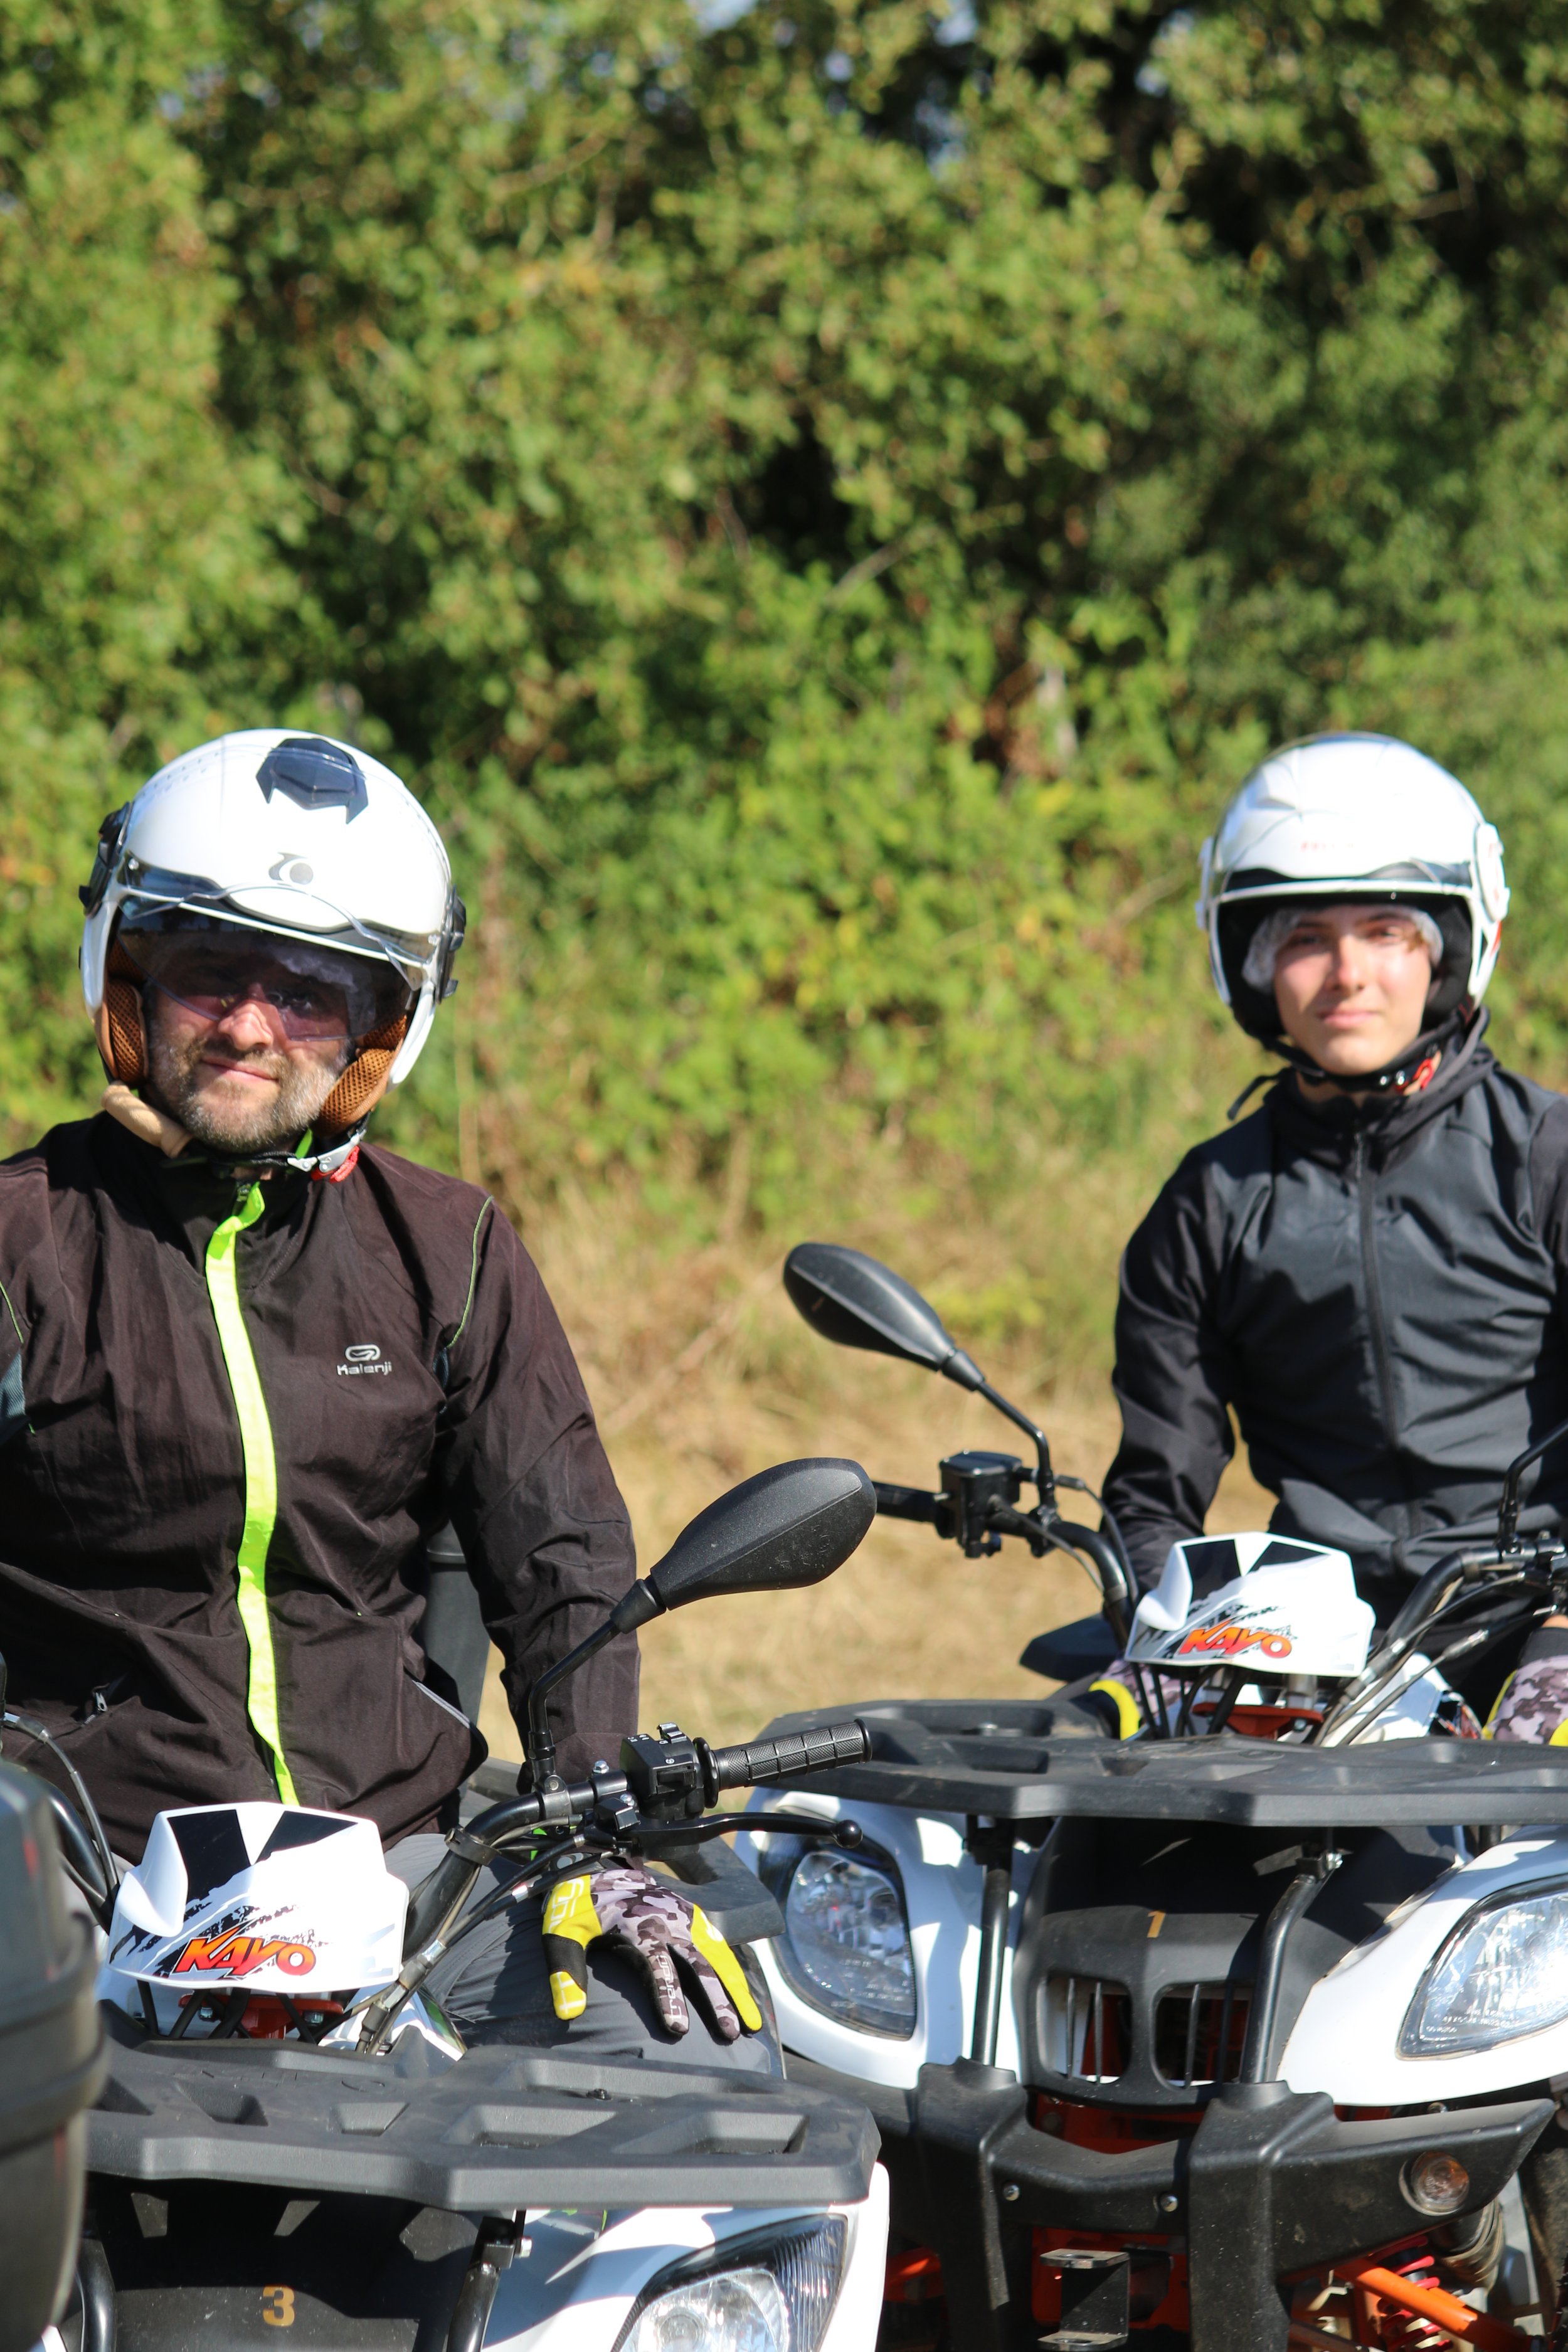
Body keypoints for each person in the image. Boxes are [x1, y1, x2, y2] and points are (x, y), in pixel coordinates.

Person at [0, 729, 768, 2062]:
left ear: (378, 1025)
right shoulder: (23, 1239)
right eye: (207, 973)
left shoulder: (448, 1246)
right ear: (127, 971)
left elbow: (564, 1554)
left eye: (310, 992)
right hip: (80, 1869)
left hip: (399, 1866)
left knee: (695, 2043)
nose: (251, 1025)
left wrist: (593, 1826)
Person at [1101, 730, 1568, 1736]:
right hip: (1313, 1629)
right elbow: (1154, 1490)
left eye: (1387, 932)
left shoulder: (1547, 1157)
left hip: (1548, 1612)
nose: (1347, 973)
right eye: (1307, 937)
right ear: (1254, 963)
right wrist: (1157, 1629)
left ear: (1450, 947)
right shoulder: (1211, 1200)